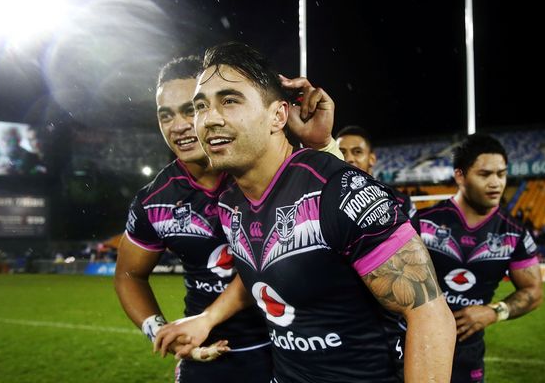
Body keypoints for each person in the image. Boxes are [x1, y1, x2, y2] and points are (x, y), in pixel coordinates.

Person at [155, 42, 455, 382]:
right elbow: (261, 271)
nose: (209, 119)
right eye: (201, 106)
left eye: (229, 100)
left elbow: (428, 313)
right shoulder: (229, 203)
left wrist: (323, 146)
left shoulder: (338, 190)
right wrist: (207, 317)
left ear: (278, 115)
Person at [114, 55, 343, 383]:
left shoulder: (262, 170)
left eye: (191, 110)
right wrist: (162, 332)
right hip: (206, 353)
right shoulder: (154, 200)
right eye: (166, 115)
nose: (178, 126)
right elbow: (128, 274)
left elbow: (345, 205)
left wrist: (318, 143)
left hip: (286, 347)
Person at [411, 133, 543, 383]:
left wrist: (494, 312)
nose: (496, 183)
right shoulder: (424, 222)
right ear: (460, 176)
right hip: (414, 346)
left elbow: (534, 291)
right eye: (485, 174)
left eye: (501, 174)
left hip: (467, 356)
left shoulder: (513, 233)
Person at [336, 125, 416, 218]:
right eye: (341, 152)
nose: (349, 159)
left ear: (372, 159)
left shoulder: (400, 202)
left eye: (357, 152)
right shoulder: (322, 202)